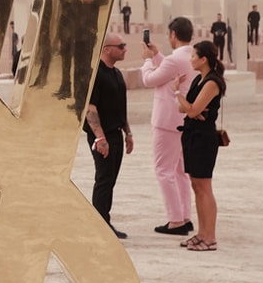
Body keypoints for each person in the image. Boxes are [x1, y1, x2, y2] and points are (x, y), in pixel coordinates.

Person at [140, 16, 196, 236]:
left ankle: (175, 220)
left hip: (167, 121)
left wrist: (146, 60)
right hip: (183, 119)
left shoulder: (175, 59)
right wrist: (156, 54)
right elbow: (169, 69)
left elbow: (150, 80)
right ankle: (184, 215)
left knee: (164, 171)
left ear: (173, 34)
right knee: (180, 171)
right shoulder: (190, 56)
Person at [173, 40, 227, 252]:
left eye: (194, 56)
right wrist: (189, 106)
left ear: (204, 59)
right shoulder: (199, 79)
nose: (191, 59)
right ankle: (202, 234)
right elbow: (184, 109)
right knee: (197, 186)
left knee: (204, 187)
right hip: (192, 135)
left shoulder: (212, 82)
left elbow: (192, 110)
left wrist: (178, 92)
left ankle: (210, 237)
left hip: (203, 138)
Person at [82, 33, 134, 238]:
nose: (124, 49)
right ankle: (99, 225)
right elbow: (90, 107)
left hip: (116, 134)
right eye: (121, 46)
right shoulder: (96, 74)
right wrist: (100, 138)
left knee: (111, 179)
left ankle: (104, 220)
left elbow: (121, 107)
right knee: (103, 179)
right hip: (102, 136)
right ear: (107, 49)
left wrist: (128, 132)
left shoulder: (117, 74)